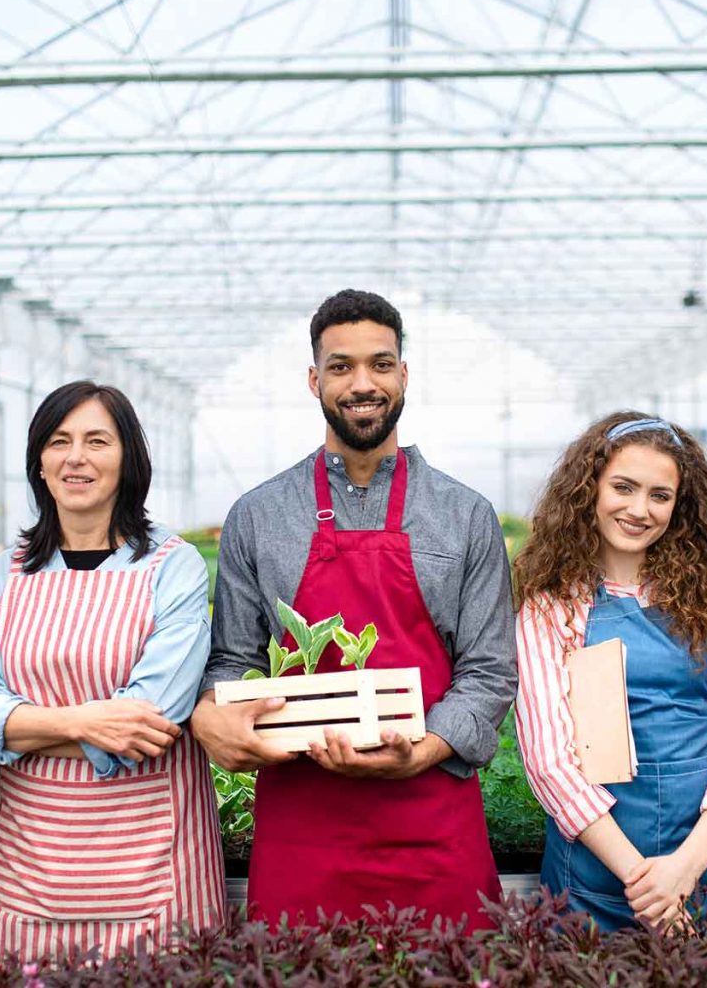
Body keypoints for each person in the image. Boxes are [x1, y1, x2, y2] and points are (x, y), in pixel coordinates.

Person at [192, 289, 516, 929]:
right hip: (303, 823)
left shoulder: (464, 515)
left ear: (404, 375)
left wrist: (423, 750)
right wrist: (214, 714)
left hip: (431, 818)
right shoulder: (258, 515)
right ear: (315, 380)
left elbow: (489, 671)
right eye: (341, 366)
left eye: (380, 364)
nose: (362, 383)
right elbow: (230, 658)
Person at [0, 381, 223, 961]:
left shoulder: (172, 568)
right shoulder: (1, 576)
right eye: (59, 441)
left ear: (128, 460)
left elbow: (150, 720)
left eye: (97, 441)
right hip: (34, 868)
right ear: (40, 463)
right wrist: (86, 722)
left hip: (156, 863)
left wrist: (16, 732)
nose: (76, 457)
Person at [514, 413, 707, 931]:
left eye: (659, 495)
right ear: (589, 489)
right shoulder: (552, 607)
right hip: (596, 876)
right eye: (623, 488)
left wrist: (684, 869)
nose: (639, 510)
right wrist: (648, 884)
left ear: (681, 506)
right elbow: (550, 764)